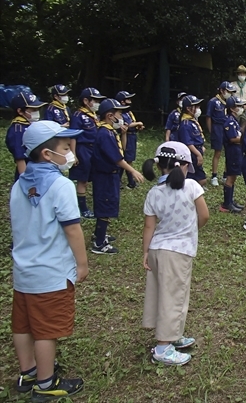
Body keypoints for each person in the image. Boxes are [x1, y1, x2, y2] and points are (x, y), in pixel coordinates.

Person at [10, 120, 88, 401]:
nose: (70, 152)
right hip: (51, 272)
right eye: (65, 147)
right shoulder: (61, 185)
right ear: (47, 154)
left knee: (23, 324)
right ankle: (45, 383)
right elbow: (72, 228)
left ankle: (28, 371)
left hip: (23, 270)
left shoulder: (19, 185)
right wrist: (82, 263)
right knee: (46, 330)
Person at [141, 142, 209, 366]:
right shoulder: (191, 187)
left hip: (157, 249)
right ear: (185, 166)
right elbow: (204, 215)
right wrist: (192, 229)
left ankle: (172, 335)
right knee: (174, 297)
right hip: (178, 252)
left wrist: (145, 252)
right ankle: (163, 347)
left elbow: (149, 227)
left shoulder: (154, 192)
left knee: (159, 293)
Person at [90, 99, 144, 254]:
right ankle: (99, 243)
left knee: (108, 204)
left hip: (110, 175)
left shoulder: (110, 131)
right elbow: (117, 158)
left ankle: (99, 233)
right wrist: (132, 171)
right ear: (110, 115)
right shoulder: (104, 133)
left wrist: (124, 133)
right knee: (105, 206)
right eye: (120, 113)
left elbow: (122, 150)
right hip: (105, 176)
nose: (122, 116)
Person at [69, 87, 105, 218]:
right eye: (95, 100)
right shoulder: (78, 115)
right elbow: (73, 136)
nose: (97, 103)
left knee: (94, 177)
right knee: (82, 180)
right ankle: (82, 208)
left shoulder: (96, 116)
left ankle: (95, 205)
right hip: (83, 149)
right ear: (85, 100)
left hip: (94, 149)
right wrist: (73, 154)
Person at [5, 91, 47, 181]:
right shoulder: (17, 129)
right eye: (33, 110)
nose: (37, 112)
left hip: (40, 168)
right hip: (28, 171)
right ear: (20, 111)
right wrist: (26, 180)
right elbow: (20, 157)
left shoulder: (31, 124)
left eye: (38, 109)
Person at [206, 81, 236, 186]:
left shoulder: (228, 103)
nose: (229, 93)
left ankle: (225, 175)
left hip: (226, 127)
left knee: (229, 151)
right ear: (222, 90)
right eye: (228, 91)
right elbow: (208, 117)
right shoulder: (213, 101)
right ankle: (214, 175)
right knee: (218, 152)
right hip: (217, 127)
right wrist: (211, 131)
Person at [116, 91, 145, 189]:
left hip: (132, 136)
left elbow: (132, 123)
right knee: (125, 159)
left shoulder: (129, 113)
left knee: (130, 159)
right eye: (128, 99)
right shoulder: (121, 114)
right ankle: (123, 181)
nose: (130, 101)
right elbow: (127, 125)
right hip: (126, 136)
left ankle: (130, 181)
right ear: (122, 102)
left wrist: (138, 126)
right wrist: (138, 123)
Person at [220, 96, 245, 213]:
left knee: (233, 176)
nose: (241, 108)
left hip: (237, 151)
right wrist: (245, 139)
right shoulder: (229, 121)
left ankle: (230, 201)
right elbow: (233, 138)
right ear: (232, 108)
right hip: (232, 151)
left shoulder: (234, 121)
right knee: (230, 177)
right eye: (238, 106)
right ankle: (226, 204)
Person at [176, 95, 207, 186]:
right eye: (196, 106)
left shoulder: (192, 121)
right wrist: (198, 154)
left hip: (197, 151)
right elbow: (188, 142)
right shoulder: (185, 124)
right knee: (191, 179)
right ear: (188, 108)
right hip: (191, 154)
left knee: (202, 179)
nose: (198, 109)